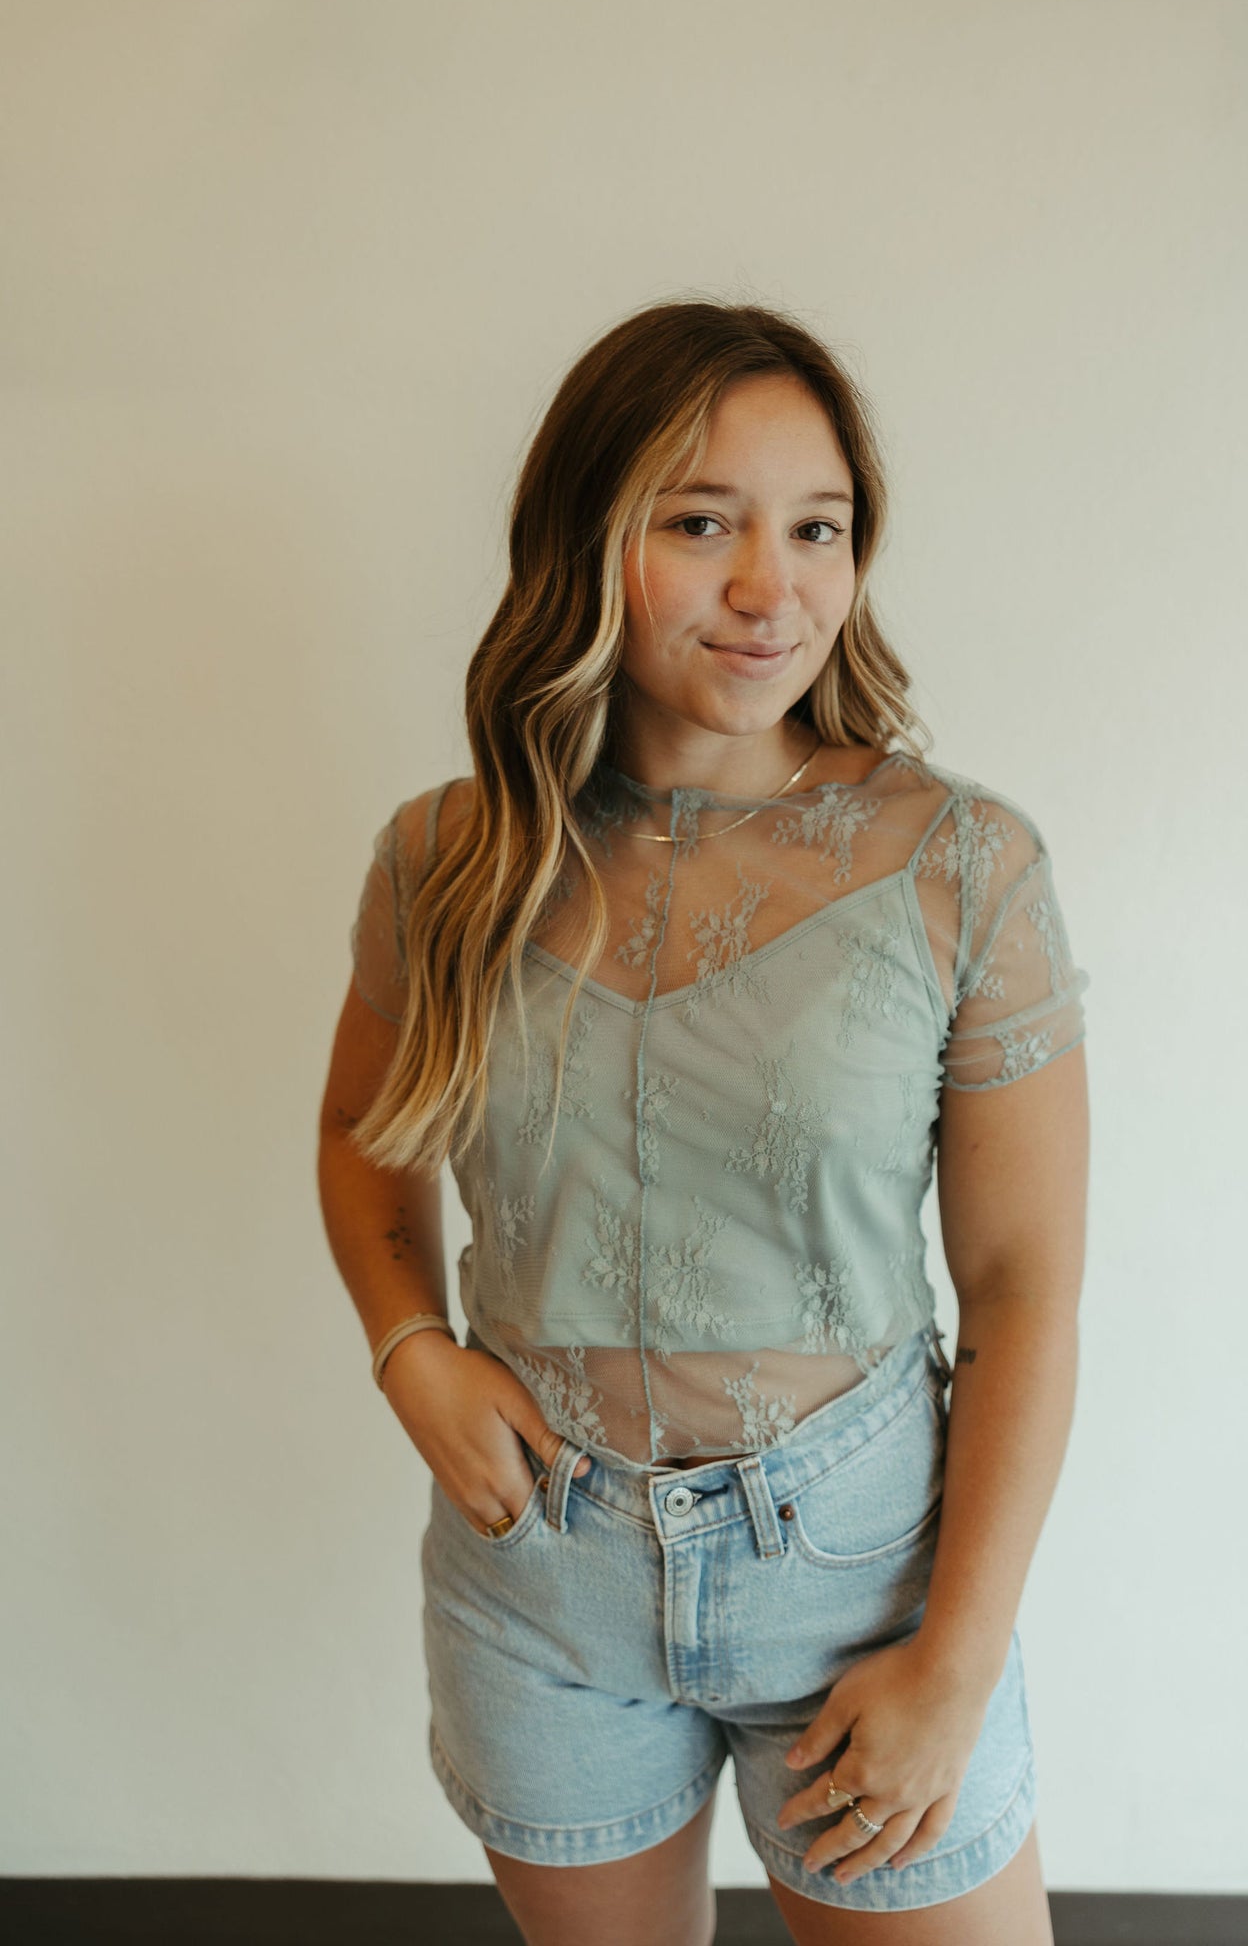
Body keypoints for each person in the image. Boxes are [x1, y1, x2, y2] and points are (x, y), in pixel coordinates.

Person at [317, 300, 1090, 1946]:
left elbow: (1021, 1286)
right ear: (583, 541)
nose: (772, 586)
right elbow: (360, 1145)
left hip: (864, 1573)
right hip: (541, 1576)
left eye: (817, 528)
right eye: (698, 524)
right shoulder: (447, 861)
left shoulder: (959, 870)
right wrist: (410, 1347)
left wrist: (952, 1665)